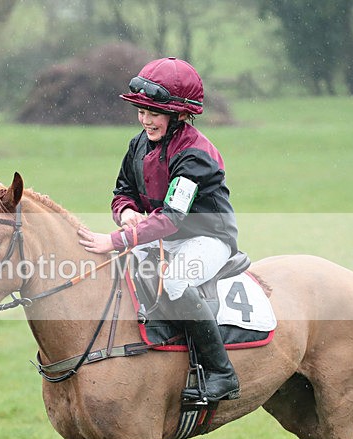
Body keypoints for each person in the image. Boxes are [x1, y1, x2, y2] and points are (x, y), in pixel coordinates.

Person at [77, 57, 240, 402]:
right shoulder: (138, 144)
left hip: (208, 237)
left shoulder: (196, 154)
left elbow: (172, 217)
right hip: (162, 233)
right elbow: (122, 192)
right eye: (141, 111)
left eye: (154, 113)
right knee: (124, 269)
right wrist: (127, 214)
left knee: (177, 280)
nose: (145, 120)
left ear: (181, 114)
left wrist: (114, 239)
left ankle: (221, 373)